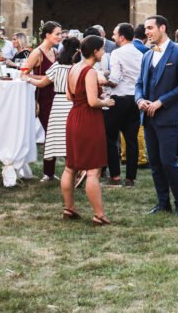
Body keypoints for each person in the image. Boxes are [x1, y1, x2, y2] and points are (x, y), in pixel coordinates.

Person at [135, 15, 178, 215]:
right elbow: (139, 84)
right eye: (145, 29)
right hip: (148, 117)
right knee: (155, 163)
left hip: (169, 115)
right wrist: (139, 100)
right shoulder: (147, 55)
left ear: (162, 28)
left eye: (150, 28)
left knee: (168, 161)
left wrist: (161, 101)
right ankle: (163, 203)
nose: (147, 32)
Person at [62, 35, 115, 225]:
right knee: (93, 170)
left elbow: (69, 96)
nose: (104, 52)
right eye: (102, 49)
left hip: (74, 117)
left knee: (70, 167)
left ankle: (69, 208)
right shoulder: (90, 72)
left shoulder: (73, 68)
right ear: (95, 51)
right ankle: (99, 215)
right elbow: (93, 102)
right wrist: (106, 102)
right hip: (88, 120)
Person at [24, 37, 81, 186]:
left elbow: (42, 83)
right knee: (72, 138)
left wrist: (27, 79)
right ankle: (75, 171)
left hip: (58, 104)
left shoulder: (57, 66)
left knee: (54, 137)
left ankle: (49, 173)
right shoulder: (78, 68)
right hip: (73, 103)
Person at [21, 21, 63, 181]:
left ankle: (50, 172)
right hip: (43, 98)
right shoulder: (37, 53)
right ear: (47, 35)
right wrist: (47, 78)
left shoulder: (55, 52)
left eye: (60, 34)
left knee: (54, 134)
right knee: (50, 134)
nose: (60, 37)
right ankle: (48, 173)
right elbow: (24, 73)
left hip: (56, 97)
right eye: (57, 34)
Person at [102, 23, 142, 187]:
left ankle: (115, 177)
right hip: (135, 99)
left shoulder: (117, 53)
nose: (112, 37)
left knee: (110, 138)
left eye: (114, 34)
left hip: (119, 99)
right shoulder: (140, 54)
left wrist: (102, 79)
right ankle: (130, 178)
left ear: (122, 37)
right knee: (131, 140)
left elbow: (115, 79)